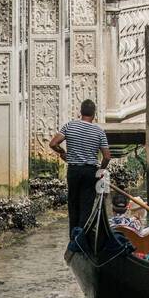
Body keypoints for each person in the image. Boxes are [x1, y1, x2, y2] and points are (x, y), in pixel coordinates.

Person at [50, 98, 111, 238]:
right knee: (86, 205)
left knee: (73, 204)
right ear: (94, 114)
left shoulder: (69, 126)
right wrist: (101, 171)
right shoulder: (99, 131)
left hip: (74, 171)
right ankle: (82, 237)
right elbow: (107, 156)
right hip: (90, 171)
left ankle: (73, 236)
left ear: (81, 112)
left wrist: (63, 153)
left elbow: (53, 143)